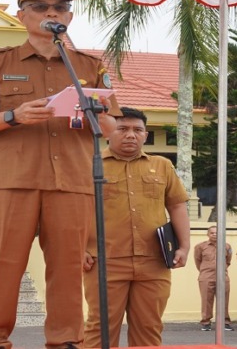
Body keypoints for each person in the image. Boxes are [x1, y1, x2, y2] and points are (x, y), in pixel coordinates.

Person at [0, 0, 121, 349]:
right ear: (22, 15)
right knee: (2, 267)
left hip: (73, 182)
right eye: (41, 7)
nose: (51, 13)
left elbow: (111, 127)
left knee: (67, 270)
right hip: (13, 182)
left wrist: (88, 110)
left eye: (60, 7)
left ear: (69, 15)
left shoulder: (89, 67)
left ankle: (65, 342)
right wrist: (12, 116)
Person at [82, 107, 191, 347]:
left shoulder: (162, 166)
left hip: (154, 262)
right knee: (100, 329)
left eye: (137, 130)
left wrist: (184, 246)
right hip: (104, 262)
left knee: (149, 329)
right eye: (123, 128)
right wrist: (77, 249)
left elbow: (177, 206)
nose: (131, 134)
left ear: (145, 135)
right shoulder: (90, 164)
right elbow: (73, 210)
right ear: (109, 131)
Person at [194, 226, 233, 331]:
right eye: (212, 233)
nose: (214, 234)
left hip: (223, 277)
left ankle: (225, 322)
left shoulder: (227, 246)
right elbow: (198, 261)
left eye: (217, 233)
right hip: (206, 277)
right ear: (208, 234)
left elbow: (228, 261)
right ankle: (206, 322)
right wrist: (206, 271)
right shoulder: (200, 247)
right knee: (206, 300)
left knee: (224, 300)